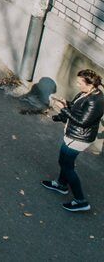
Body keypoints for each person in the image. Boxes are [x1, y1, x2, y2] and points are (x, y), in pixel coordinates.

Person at [41, 68, 103, 212]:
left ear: (90, 84)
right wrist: (67, 104)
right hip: (73, 134)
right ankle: (61, 184)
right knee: (64, 161)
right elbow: (78, 108)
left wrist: (63, 109)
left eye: (80, 82)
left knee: (67, 165)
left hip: (79, 138)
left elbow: (82, 122)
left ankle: (81, 200)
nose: (77, 84)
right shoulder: (86, 93)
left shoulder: (96, 100)